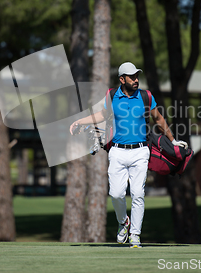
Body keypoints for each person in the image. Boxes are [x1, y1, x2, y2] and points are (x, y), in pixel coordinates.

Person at [69, 62, 187, 248]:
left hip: (141, 151)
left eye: (137, 76)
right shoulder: (112, 95)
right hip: (117, 151)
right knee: (116, 194)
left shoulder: (145, 96)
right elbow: (102, 114)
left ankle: (135, 236)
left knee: (138, 193)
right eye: (131, 77)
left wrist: (172, 140)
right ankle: (124, 222)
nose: (136, 80)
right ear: (122, 79)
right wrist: (81, 121)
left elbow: (158, 118)